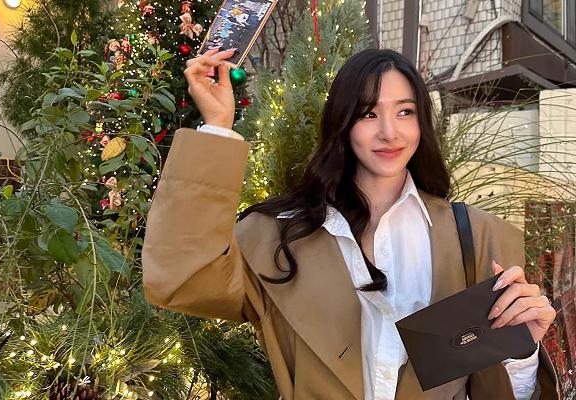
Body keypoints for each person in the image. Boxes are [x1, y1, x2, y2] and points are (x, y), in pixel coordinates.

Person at [142, 47, 560, 399]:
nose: (389, 133)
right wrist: (217, 127)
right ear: (342, 122)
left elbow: (491, 389)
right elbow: (180, 280)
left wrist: (521, 353)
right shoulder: (277, 236)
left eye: (405, 111)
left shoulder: (477, 235)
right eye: (367, 114)